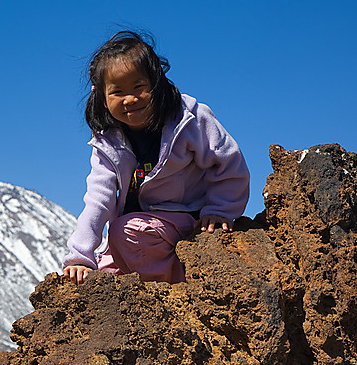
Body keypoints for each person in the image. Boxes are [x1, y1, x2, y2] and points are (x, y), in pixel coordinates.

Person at [63, 31, 250, 285]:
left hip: (188, 218)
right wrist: (80, 256)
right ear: (103, 99)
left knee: (125, 232)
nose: (130, 99)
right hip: (140, 229)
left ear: (157, 82)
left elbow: (228, 161)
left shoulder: (188, 119)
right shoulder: (109, 140)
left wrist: (219, 211)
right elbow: (98, 198)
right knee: (103, 280)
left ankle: (174, 292)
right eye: (117, 92)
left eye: (139, 87)